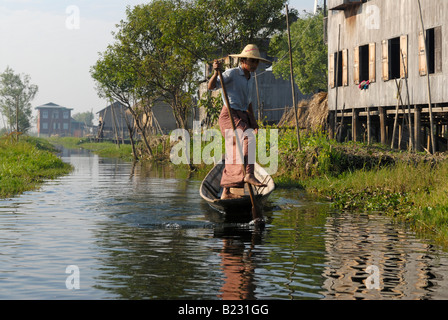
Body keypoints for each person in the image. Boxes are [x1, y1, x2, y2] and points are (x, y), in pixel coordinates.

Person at [208, 44, 269, 199]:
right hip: (229, 115)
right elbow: (211, 86)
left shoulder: (250, 78)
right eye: (251, 61)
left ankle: (226, 192)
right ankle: (248, 174)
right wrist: (216, 72)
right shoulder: (232, 73)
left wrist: (253, 122)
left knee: (235, 152)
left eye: (256, 62)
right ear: (243, 60)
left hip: (242, 115)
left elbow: (248, 103)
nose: (254, 65)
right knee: (248, 137)